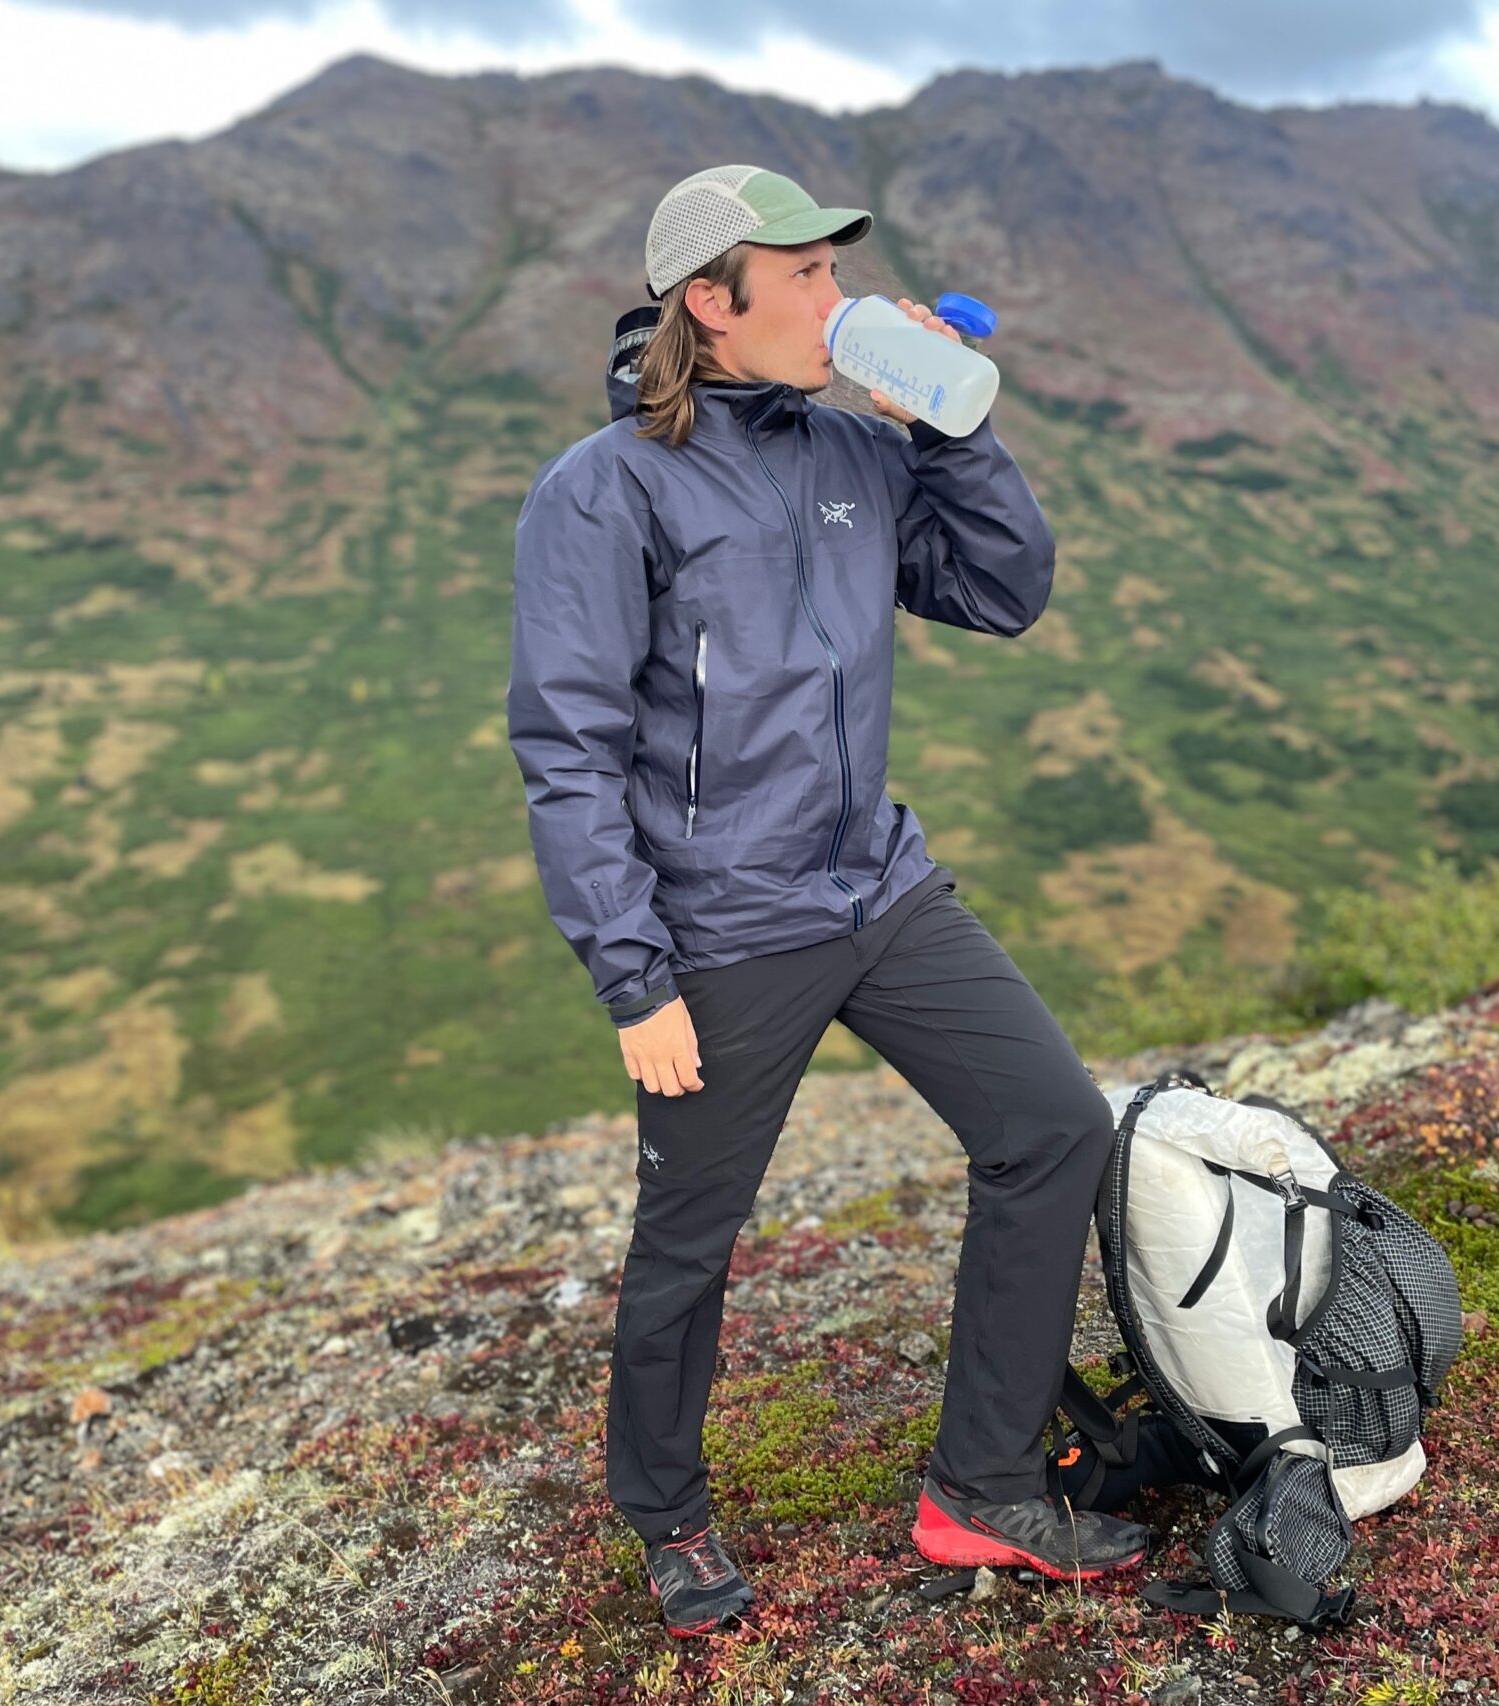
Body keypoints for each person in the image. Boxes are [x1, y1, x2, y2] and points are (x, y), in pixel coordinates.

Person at [505, 163, 1148, 1639]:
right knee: (693, 1233)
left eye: (833, 271)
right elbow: (570, 743)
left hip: (882, 889)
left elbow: (1005, 587)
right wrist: (632, 971)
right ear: (710, 305)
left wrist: (952, 430)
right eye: (802, 276)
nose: (833, 298)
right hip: (724, 928)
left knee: (1053, 1127)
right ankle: (666, 1513)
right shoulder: (603, 492)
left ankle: (979, 1487)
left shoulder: (855, 451)